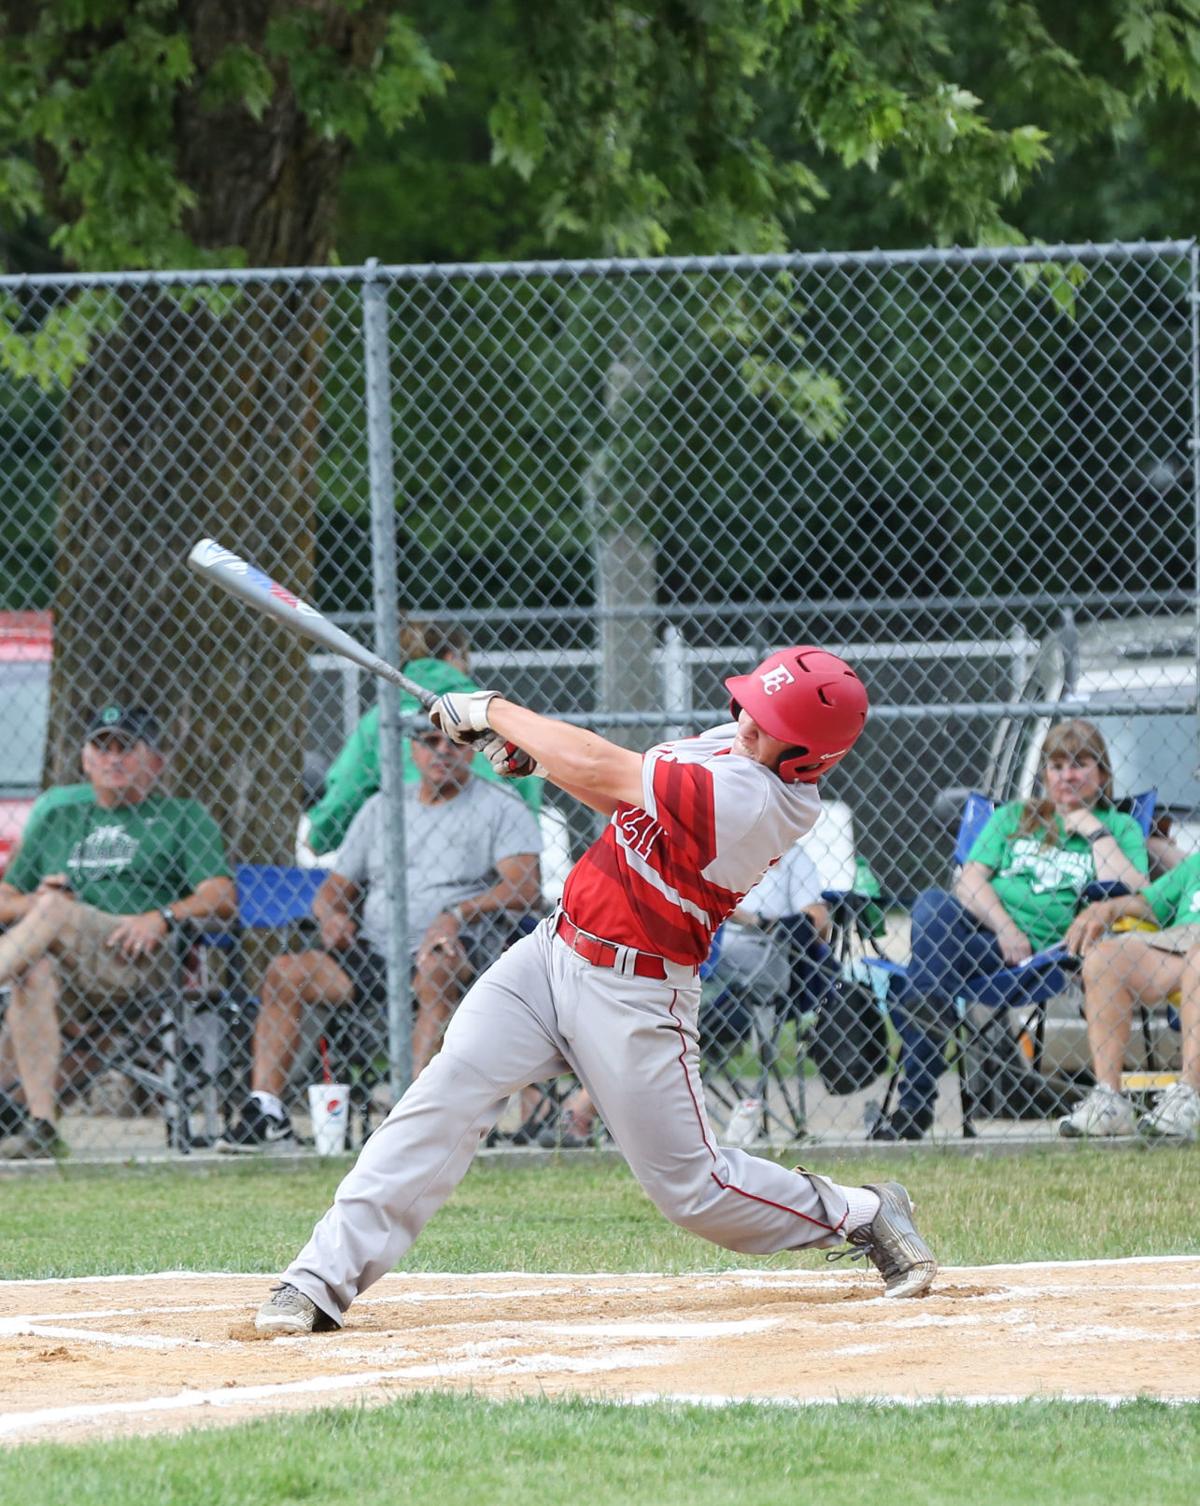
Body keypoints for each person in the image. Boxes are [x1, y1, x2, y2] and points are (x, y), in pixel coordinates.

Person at [253, 645, 937, 1337]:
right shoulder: (734, 746)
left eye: (769, 725)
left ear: (809, 759)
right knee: (440, 1098)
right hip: (550, 954)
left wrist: (494, 711)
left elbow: (606, 765)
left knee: (695, 1192)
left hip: (635, 994)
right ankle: (317, 1282)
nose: (747, 725)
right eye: (750, 709)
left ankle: (863, 1211)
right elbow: (621, 797)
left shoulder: (758, 798)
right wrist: (538, 761)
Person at [222, 725, 543, 1149]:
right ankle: (266, 1113)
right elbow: (334, 890)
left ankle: (412, 1118)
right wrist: (332, 916)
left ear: (471, 751)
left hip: (458, 947)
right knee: (286, 972)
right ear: (413, 749)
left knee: (437, 969)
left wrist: (457, 913)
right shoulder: (381, 809)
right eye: (430, 740)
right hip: (372, 949)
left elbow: (524, 888)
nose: (442, 750)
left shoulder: (500, 805)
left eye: (454, 742)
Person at [870, 718, 1149, 1143]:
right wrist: (1004, 927)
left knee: (927, 981)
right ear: (1043, 775)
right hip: (982, 936)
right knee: (932, 902)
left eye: (1079, 764)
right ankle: (930, 1015)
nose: (1067, 775)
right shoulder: (1014, 817)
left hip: (1042, 956)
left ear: (1103, 773)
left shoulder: (1119, 827)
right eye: (1056, 766)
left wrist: (1093, 830)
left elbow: (1130, 888)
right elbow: (968, 881)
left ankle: (914, 1103)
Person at [0, 703, 235, 1158]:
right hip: (68, 969)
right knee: (33, 974)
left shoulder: (182, 816)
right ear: (85, 759)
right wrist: (37, 904)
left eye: (126, 748)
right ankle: (42, 1124)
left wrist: (162, 917)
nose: (113, 759)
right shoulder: (58, 819)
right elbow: (4, 898)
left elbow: (221, 896)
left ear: (155, 760)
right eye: (101, 747)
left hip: (139, 961)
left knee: (53, 910)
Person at [304, 620, 542, 858]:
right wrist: (526, 845)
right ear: (451, 657)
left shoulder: (382, 716)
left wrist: (318, 838)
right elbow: (526, 782)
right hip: (488, 845)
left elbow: (348, 791)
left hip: (407, 847)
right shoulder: (494, 711)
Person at [1056, 855, 1200, 1139]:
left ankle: (1190, 1095)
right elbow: (1147, 904)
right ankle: (1109, 1101)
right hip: (1179, 944)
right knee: (1103, 960)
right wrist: (1105, 909)